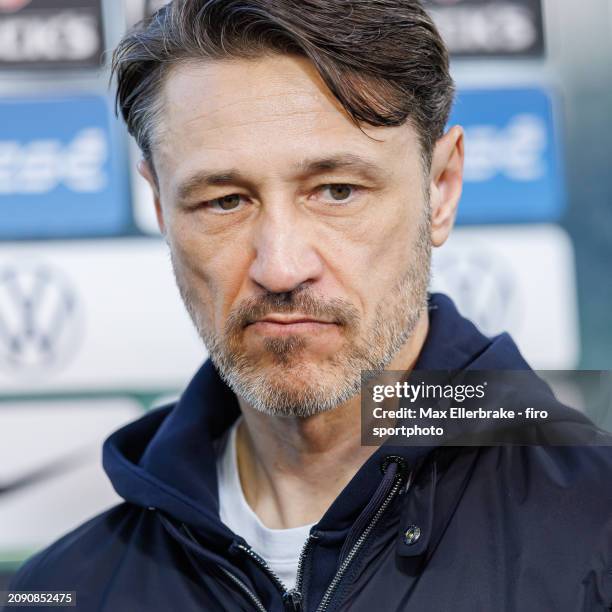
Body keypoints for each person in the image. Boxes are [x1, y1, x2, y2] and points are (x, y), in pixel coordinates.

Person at [8, 1, 612, 610]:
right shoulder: (61, 590)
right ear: (162, 209)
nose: (280, 267)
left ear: (441, 190)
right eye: (224, 201)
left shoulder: (599, 532)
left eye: (336, 191)